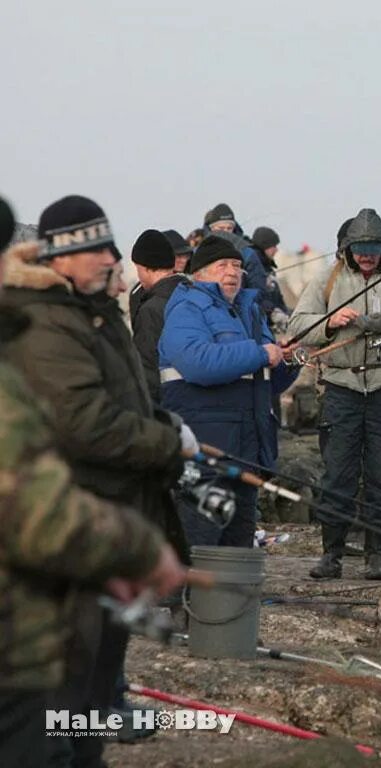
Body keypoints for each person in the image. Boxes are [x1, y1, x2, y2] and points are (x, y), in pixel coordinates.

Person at [1, 195, 193, 767]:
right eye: (97, 248)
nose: (112, 258)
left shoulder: (92, 310)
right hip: (76, 526)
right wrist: (166, 443)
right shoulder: (47, 322)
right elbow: (83, 424)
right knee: (64, 695)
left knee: (93, 684)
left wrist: (161, 427)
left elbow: (120, 397)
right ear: (63, 257)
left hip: (109, 516)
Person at [287, 209, 381, 580]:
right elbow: (297, 325)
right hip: (341, 388)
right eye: (359, 248)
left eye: (372, 247)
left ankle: (378, 553)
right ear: (347, 248)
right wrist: (329, 323)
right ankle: (331, 554)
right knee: (337, 472)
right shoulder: (328, 278)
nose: (366, 255)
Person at [160, 235, 299, 548]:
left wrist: (287, 361)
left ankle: (231, 599)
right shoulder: (186, 308)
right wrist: (262, 352)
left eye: (237, 265)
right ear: (200, 273)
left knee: (238, 544)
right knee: (201, 540)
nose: (232, 271)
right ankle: (182, 598)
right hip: (207, 451)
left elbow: (266, 384)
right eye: (222, 265)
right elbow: (198, 363)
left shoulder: (249, 311)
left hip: (246, 452)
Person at [129, 230, 188, 403]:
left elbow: (147, 368)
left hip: (168, 402)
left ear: (146, 268)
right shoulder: (193, 294)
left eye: (138, 269)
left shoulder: (150, 309)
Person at [203, 203, 271, 309]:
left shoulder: (247, 253)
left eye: (229, 228)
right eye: (221, 228)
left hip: (240, 310)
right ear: (211, 228)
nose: (225, 233)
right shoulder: (199, 252)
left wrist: (237, 300)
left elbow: (258, 290)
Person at [251, 225, 291, 332]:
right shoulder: (255, 267)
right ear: (265, 246)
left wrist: (288, 314)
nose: (276, 250)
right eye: (273, 246)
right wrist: (273, 312)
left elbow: (278, 299)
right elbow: (256, 295)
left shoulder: (268, 268)